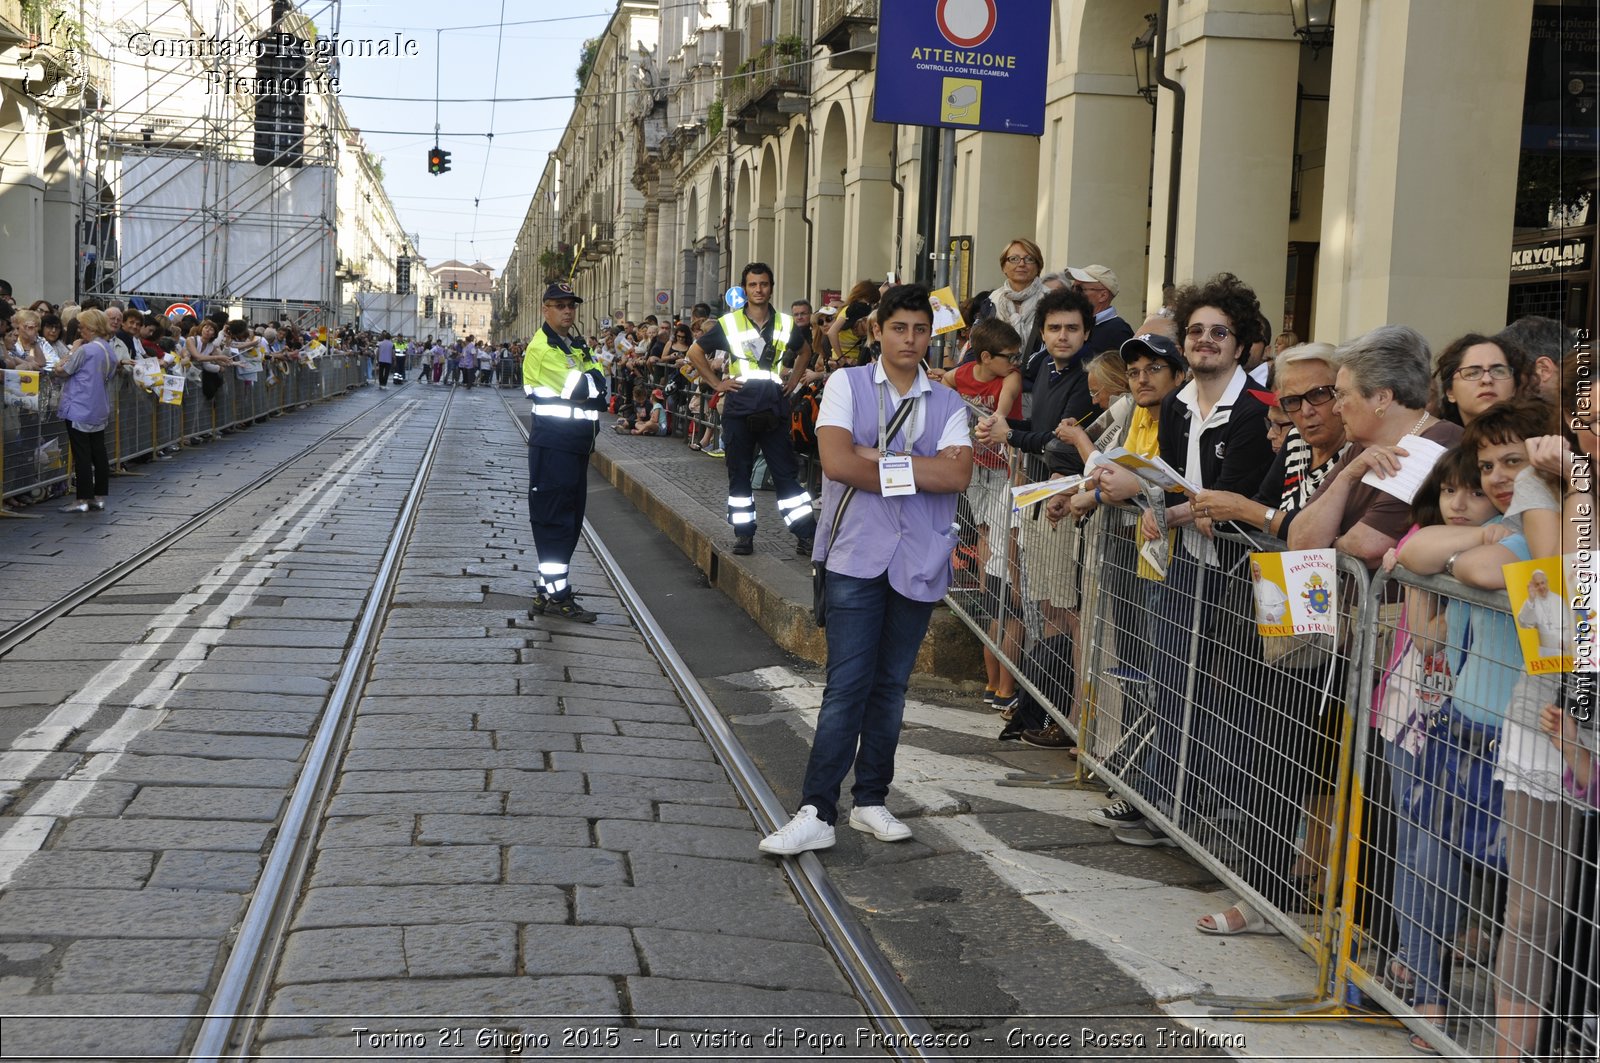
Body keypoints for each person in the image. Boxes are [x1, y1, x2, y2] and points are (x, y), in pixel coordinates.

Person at [758, 284, 973, 856]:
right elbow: (835, 463)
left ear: (931, 334)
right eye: (899, 328)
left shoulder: (948, 403)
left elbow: (956, 478)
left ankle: (871, 799)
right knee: (847, 685)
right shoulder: (845, 385)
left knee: (891, 687)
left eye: (920, 330)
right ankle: (816, 810)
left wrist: (878, 460)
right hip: (855, 554)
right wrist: (911, 466)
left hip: (919, 559)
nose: (910, 339)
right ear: (878, 331)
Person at [1289, 325, 1465, 568]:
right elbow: (1299, 540)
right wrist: (1347, 476)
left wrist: (1328, 546)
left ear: (1382, 398)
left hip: (1392, 604)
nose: (1335, 408)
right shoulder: (1361, 446)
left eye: (1342, 395)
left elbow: (1368, 545)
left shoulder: (1436, 442)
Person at [685, 261, 818, 556]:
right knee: (740, 474)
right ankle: (744, 535)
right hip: (739, 409)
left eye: (764, 284)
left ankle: (806, 535)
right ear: (745, 289)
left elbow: (805, 350)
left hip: (774, 408)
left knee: (786, 476)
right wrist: (716, 384)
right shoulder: (729, 323)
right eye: (753, 285)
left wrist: (794, 379)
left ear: (771, 287)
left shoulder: (784, 323)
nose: (759, 290)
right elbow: (694, 352)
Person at [523, 282, 608, 623]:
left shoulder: (572, 345)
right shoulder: (544, 348)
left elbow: (600, 380)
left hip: (575, 444)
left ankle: (548, 591)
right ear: (546, 309)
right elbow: (586, 387)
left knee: (569, 521)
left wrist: (595, 381)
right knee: (554, 520)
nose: (568, 311)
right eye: (560, 305)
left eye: (571, 305)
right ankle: (557, 594)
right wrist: (594, 382)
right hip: (555, 444)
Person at [52, 308, 120, 513]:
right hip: (98, 406)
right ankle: (99, 496)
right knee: (98, 451)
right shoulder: (107, 349)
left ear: (90, 327)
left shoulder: (85, 350)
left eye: (82, 326)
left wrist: (71, 351)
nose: (80, 330)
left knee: (81, 454)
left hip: (79, 406)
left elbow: (63, 370)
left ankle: (82, 498)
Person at [1431, 332, 1534, 427]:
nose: (1487, 380)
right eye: (1472, 373)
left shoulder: (1537, 443)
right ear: (1450, 392)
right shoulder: (1434, 445)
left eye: (1498, 371)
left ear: (1514, 388)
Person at [973, 239, 1047, 362]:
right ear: (1003, 267)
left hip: (1039, 376)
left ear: (1038, 266)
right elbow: (977, 345)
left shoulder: (1052, 300)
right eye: (1014, 259)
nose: (1021, 264)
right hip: (996, 376)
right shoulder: (991, 301)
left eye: (1029, 259)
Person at [1067, 264, 1135, 358]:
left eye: (1079, 289)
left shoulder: (1117, 331)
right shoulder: (1077, 325)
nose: (1073, 293)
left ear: (1103, 296)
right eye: (1072, 288)